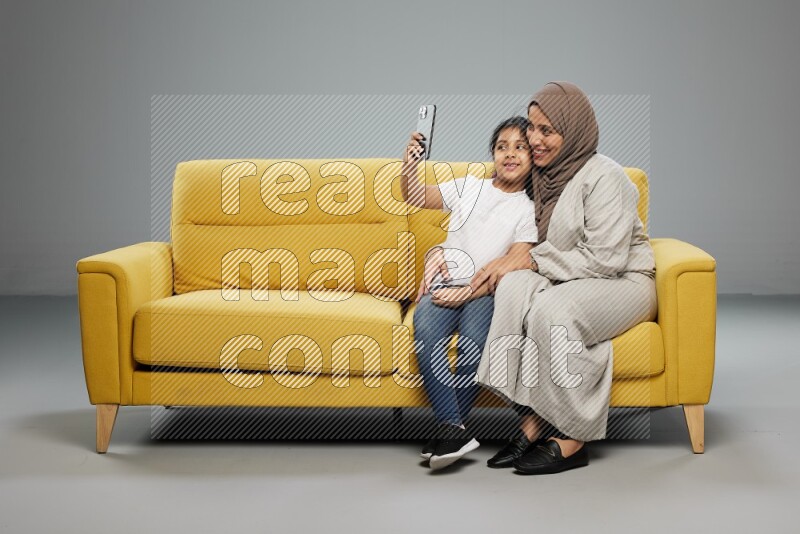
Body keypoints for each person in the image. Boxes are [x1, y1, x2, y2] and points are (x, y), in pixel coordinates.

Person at [471, 82, 657, 475]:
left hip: (624, 281)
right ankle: (532, 419)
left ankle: (574, 437)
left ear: (572, 132)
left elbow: (606, 259)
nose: (533, 140)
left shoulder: (606, 178)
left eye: (546, 131)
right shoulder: (542, 176)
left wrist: (531, 261)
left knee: (552, 311)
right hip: (571, 276)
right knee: (514, 288)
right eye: (532, 128)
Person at [401, 116, 538, 470]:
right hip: (444, 283)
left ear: (532, 156)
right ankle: (455, 428)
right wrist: (410, 165)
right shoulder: (468, 187)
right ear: (492, 153)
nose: (510, 154)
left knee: (474, 343)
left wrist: (469, 292)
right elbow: (414, 195)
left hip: (486, 292)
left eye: (520, 147)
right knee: (427, 331)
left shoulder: (527, 209)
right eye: (502, 147)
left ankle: (451, 430)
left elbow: (515, 259)